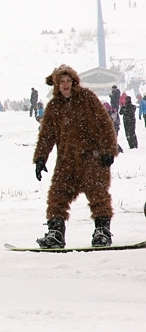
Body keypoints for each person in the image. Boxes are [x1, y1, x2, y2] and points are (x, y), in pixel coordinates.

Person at [33, 65, 117, 248]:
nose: (65, 85)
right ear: (56, 84)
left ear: (73, 82)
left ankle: (102, 231)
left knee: (98, 195)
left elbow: (104, 124)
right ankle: (56, 233)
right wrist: (40, 158)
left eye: (68, 81)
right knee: (57, 196)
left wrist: (108, 150)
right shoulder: (54, 106)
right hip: (66, 162)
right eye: (61, 81)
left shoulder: (87, 99)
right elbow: (46, 135)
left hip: (91, 159)